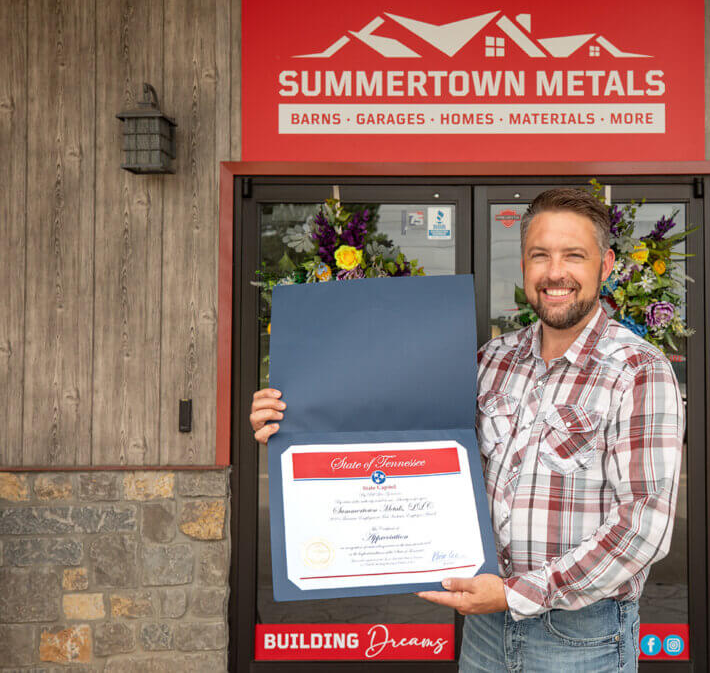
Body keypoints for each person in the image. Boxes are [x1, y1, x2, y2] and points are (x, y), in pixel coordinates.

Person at [250, 188, 684, 672]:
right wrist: (295, 421)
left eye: (573, 256)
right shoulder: (491, 362)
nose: (554, 272)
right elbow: (402, 430)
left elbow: (643, 527)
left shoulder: (638, 370)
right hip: (484, 633)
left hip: (582, 639)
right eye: (540, 255)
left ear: (605, 265)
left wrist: (517, 594)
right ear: (523, 264)